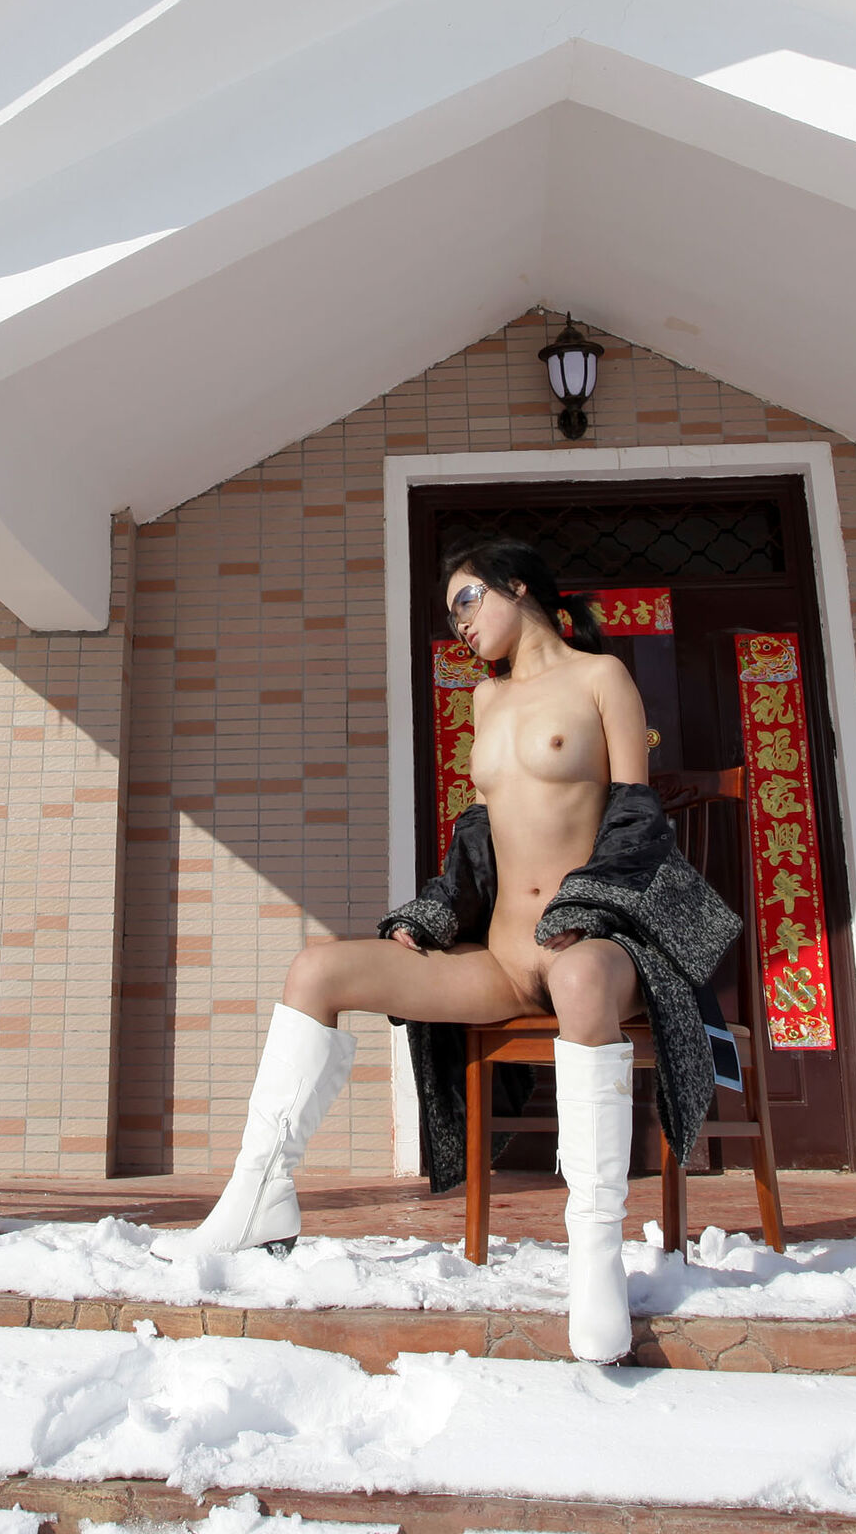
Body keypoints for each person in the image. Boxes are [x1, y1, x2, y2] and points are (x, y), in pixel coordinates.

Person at [167, 537, 742, 1363]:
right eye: (450, 615)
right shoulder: (485, 700)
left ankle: (595, 1257)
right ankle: (260, 1193)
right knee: (315, 970)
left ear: (519, 586)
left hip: (590, 946)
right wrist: (437, 910)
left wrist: (583, 906)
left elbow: (637, 822)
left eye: (468, 600)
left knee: (582, 980)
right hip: (503, 959)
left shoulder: (600, 678)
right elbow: (479, 832)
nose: (460, 624)